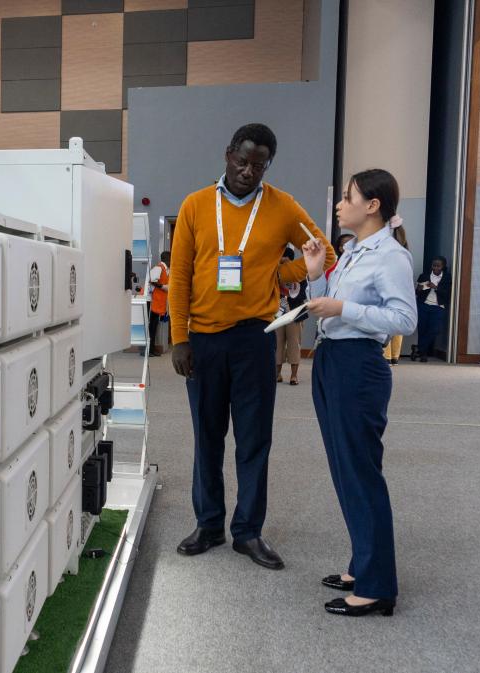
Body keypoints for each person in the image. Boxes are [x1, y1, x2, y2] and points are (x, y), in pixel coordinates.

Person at [169, 123, 336, 570]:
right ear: (228, 154)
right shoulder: (195, 205)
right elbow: (180, 276)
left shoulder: (282, 206)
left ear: (267, 166)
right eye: (242, 161)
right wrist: (179, 338)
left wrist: (280, 274)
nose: (247, 171)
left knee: (254, 438)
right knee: (207, 437)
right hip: (203, 341)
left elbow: (325, 253)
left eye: (258, 165)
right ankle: (209, 524)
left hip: (255, 340)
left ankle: (247, 531)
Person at [302, 168, 416, 617]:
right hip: (332, 360)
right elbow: (326, 307)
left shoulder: (390, 256)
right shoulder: (352, 250)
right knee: (344, 469)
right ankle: (361, 565)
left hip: (358, 367)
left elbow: (404, 320)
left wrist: (344, 307)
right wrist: (315, 276)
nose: (339, 204)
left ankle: (376, 587)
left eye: (347, 197)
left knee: (361, 473)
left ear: (372, 205)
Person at [276, 247, 308, 385]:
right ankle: (277, 374)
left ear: (289, 259)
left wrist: (288, 297)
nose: (280, 261)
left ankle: (294, 376)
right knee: (277, 344)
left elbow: (303, 293)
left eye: (283, 258)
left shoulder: (299, 273)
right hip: (277, 313)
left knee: (294, 344)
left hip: (295, 313)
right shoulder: (274, 272)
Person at [382, 230, 413, 365]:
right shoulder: (406, 256)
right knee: (397, 326)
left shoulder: (386, 256)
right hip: (402, 294)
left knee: (385, 324)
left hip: (387, 292)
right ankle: (395, 356)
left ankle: (387, 357)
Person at [413, 256, 451, 362]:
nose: (435, 268)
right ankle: (423, 353)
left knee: (435, 330)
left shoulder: (447, 277)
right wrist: (419, 289)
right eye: (434, 265)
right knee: (422, 329)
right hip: (423, 305)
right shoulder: (424, 275)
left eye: (438, 266)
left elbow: (447, 294)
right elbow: (417, 292)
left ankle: (419, 348)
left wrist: (436, 287)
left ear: (443, 266)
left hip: (438, 307)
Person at [147, 251, 171, 357]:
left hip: (157, 302)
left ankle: (152, 349)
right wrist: (163, 287)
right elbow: (151, 280)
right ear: (167, 259)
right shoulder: (159, 268)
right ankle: (148, 350)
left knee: (154, 326)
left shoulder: (166, 270)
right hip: (151, 301)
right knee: (151, 327)